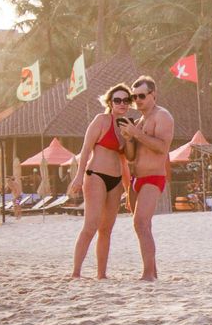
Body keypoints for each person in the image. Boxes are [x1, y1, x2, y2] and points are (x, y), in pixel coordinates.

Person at [68, 83, 133, 279]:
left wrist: (129, 138)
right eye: (117, 100)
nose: (122, 103)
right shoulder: (101, 120)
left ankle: (101, 274)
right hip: (95, 174)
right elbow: (86, 149)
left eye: (126, 100)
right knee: (91, 226)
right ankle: (76, 272)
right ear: (110, 103)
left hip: (116, 180)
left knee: (107, 229)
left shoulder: (127, 126)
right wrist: (78, 177)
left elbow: (127, 157)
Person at [118, 76, 174, 282]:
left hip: (153, 176)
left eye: (141, 96)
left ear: (153, 95)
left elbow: (162, 147)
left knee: (141, 222)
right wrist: (129, 138)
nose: (137, 100)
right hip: (136, 179)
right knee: (143, 226)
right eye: (134, 97)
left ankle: (148, 274)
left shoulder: (163, 116)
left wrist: (136, 134)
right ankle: (153, 271)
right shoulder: (140, 121)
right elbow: (131, 157)